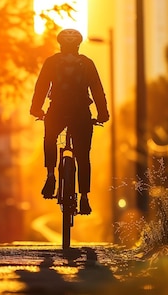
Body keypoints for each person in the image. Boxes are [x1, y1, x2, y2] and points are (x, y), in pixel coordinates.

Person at [30, 28, 110, 215]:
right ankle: (84, 198)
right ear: (78, 45)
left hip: (57, 110)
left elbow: (41, 87)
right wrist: (102, 114)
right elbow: (97, 90)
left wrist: (36, 109)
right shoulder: (87, 63)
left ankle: (50, 175)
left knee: (49, 139)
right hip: (81, 112)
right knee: (83, 156)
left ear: (60, 44)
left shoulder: (51, 62)